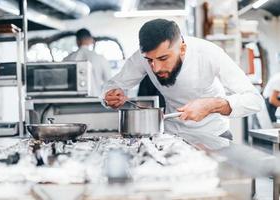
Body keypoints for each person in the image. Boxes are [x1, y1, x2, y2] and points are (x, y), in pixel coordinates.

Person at [102, 19, 263, 140]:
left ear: (183, 49)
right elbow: (114, 84)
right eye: (149, 60)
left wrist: (212, 105)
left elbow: (255, 100)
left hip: (213, 136)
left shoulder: (209, 54)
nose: (156, 68)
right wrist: (109, 95)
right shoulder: (143, 57)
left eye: (163, 58)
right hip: (172, 137)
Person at [64, 28, 111, 96]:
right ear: (90, 40)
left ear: (77, 41)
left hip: (72, 102)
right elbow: (109, 83)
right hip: (95, 101)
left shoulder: (67, 59)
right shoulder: (100, 58)